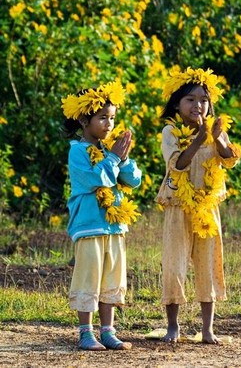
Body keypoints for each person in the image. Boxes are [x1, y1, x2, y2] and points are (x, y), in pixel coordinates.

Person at [156, 67, 241, 344]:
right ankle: (173, 326)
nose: (198, 105)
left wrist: (214, 137)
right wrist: (200, 139)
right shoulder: (170, 131)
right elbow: (177, 165)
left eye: (203, 100)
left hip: (207, 208)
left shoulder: (216, 128)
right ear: (177, 105)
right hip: (178, 206)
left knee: (208, 265)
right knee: (174, 264)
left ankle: (208, 329)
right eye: (190, 100)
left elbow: (229, 159)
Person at [61, 81, 142, 351]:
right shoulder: (78, 152)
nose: (109, 124)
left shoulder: (111, 152)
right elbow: (97, 180)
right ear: (85, 120)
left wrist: (124, 158)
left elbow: (132, 181)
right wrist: (114, 159)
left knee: (112, 279)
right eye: (103, 118)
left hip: (114, 225)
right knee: (89, 277)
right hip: (89, 226)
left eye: (113, 118)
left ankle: (108, 330)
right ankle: (86, 332)